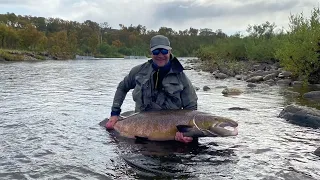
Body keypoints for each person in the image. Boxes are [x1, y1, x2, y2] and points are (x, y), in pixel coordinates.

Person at [106, 35, 198, 143]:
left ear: (170, 51)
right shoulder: (138, 71)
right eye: (156, 52)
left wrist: (188, 134)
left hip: (170, 134)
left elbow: (191, 110)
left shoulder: (182, 78)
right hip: (139, 129)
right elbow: (122, 87)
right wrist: (114, 113)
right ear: (150, 52)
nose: (160, 55)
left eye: (164, 51)